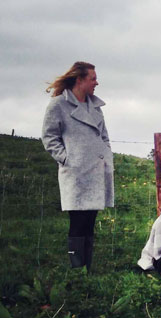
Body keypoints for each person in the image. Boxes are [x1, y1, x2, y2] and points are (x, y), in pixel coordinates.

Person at [41, 61, 114, 272]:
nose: (96, 83)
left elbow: (104, 136)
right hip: (76, 173)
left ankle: (87, 269)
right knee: (78, 221)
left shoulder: (95, 106)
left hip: (96, 171)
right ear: (79, 79)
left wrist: (106, 156)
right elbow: (49, 137)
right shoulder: (58, 105)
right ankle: (77, 269)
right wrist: (67, 159)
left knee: (90, 221)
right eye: (93, 78)